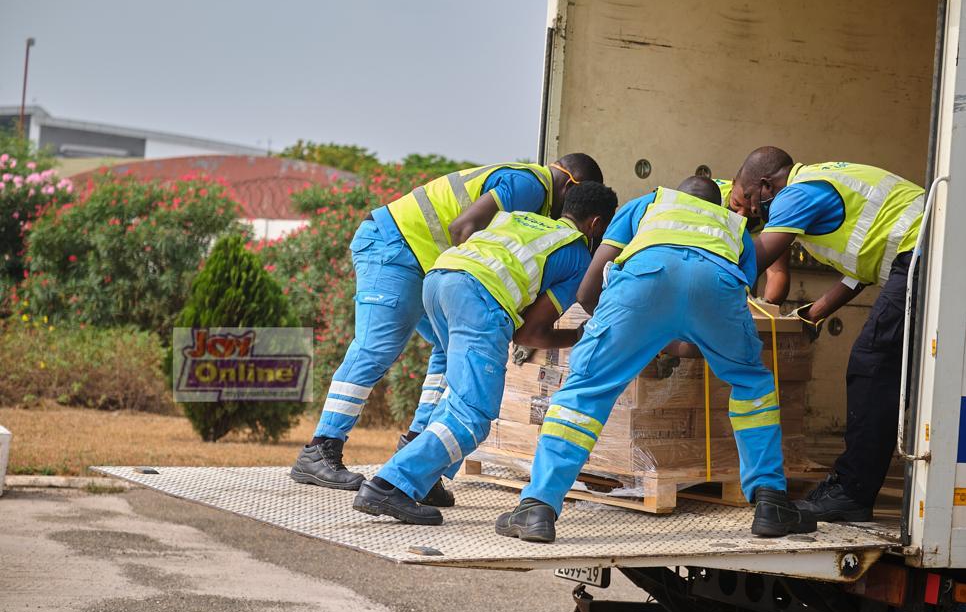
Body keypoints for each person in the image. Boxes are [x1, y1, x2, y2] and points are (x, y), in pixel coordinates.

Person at [496, 176, 816, 541]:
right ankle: (771, 502)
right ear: (719, 203)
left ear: (676, 194)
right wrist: (672, 339)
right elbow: (726, 313)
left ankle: (538, 507)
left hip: (644, 283)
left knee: (586, 390)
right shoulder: (736, 228)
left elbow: (588, 291)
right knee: (751, 382)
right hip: (718, 286)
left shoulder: (647, 204)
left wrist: (630, 338)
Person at [290, 156, 604, 507]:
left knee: (445, 352)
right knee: (375, 349)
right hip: (395, 246)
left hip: (435, 271)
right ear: (571, 184)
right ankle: (321, 449)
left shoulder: (532, 201)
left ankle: (416, 456)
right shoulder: (531, 184)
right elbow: (462, 228)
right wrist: (476, 288)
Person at [351, 181, 618, 525]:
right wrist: (577, 336)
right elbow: (530, 332)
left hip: (438, 280)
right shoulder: (576, 253)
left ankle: (425, 479)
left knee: (456, 396)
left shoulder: (520, 218)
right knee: (473, 414)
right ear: (596, 224)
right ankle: (391, 485)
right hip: (477, 298)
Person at [730, 147, 925, 522]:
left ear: (767, 185)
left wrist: (705, 271)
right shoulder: (819, 184)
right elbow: (860, 268)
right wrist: (814, 313)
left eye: (751, 201)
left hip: (922, 250)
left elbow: (755, 259)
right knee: (881, 363)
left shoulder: (796, 195)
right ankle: (851, 485)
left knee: (871, 363)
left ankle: (852, 492)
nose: (752, 212)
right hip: (923, 250)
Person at [718, 178, 791, 304]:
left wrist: (766, 305)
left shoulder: (775, 214)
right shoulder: (713, 196)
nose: (741, 216)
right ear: (733, 183)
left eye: (752, 212)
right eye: (736, 204)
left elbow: (778, 272)